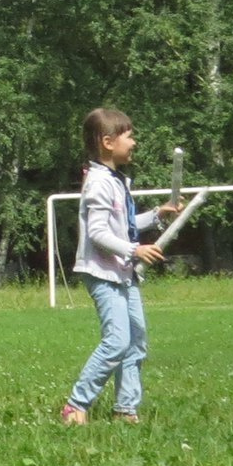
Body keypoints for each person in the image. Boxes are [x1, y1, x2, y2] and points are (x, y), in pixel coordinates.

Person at [59, 109, 173, 425]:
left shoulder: (114, 180)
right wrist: (135, 249)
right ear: (108, 142)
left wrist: (156, 216)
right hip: (102, 274)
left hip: (123, 273)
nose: (134, 142)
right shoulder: (98, 183)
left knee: (136, 341)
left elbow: (122, 225)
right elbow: (97, 234)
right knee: (117, 341)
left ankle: (125, 408)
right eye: (129, 135)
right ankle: (75, 404)